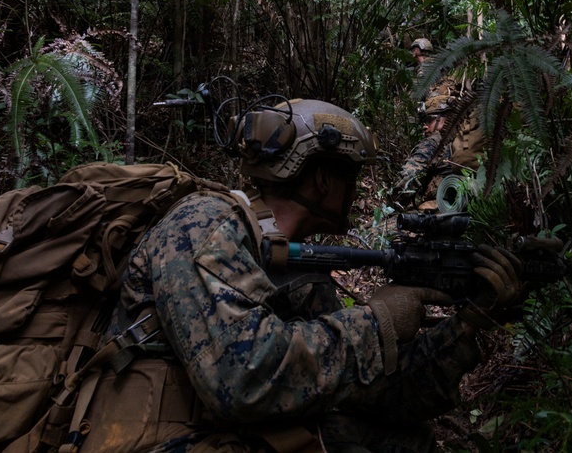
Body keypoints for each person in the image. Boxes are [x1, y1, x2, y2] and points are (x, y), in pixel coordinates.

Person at [78, 97, 524, 453]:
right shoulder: (204, 224)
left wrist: (469, 323)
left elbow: (376, 392)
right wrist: (376, 322)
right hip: (143, 432)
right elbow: (239, 378)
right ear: (325, 181)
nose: (354, 189)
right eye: (351, 177)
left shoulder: (293, 267)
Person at [391, 92, 454, 211]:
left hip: (443, 211)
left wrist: (391, 203)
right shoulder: (464, 140)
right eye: (424, 122)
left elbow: (407, 180)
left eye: (430, 120)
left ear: (447, 118)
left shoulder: (434, 142)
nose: (424, 126)